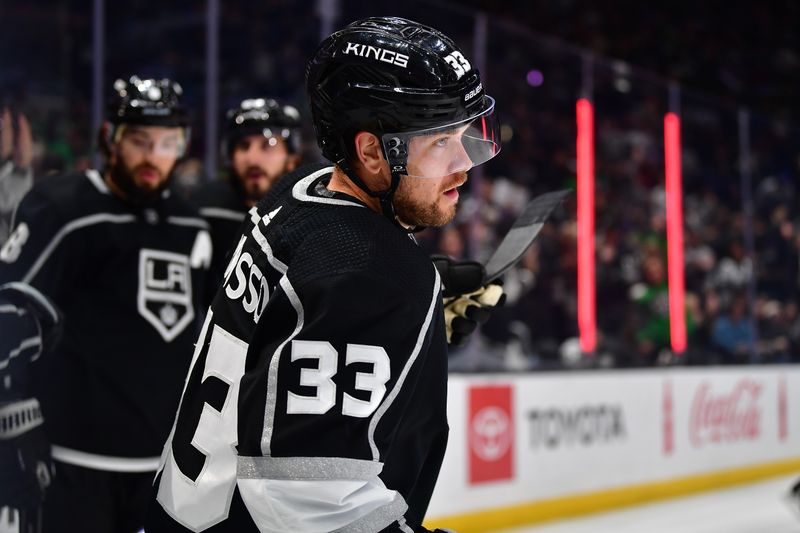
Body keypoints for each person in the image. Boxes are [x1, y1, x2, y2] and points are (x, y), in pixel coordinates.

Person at [148, 16, 503, 532]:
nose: (464, 165)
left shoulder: (298, 196)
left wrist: (416, 326)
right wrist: (390, 301)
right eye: (440, 144)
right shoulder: (371, 277)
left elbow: (284, 336)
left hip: (188, 511)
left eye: (465, 136)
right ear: (371, 151)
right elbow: (306, 493)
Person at [0, 75, 212, 533]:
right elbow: (10, 308)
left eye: (168, 142)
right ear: (108, 140)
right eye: (139, 141)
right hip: (72, 461)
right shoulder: (63, 208)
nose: (153, 156)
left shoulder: (187, 219)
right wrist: (12, 416)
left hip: (161, 465)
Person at [191, 98, 302, 302]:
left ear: (292, 157)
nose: (253, 159)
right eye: (243, 146)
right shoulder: (205, 210)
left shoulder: (308, 216)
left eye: (267, 145)